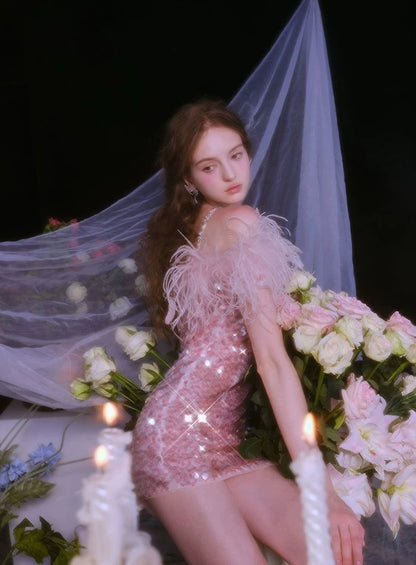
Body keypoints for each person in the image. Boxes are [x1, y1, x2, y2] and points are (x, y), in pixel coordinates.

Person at [130, 98, 365, 565]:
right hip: (175, 440)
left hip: (226, 439)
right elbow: (272, 364)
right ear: (189, 180)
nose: (230, 174)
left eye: (236, 155)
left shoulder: (199, 225)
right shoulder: (239, 221)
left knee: (328, 554)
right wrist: (325, 491)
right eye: (209, 167)